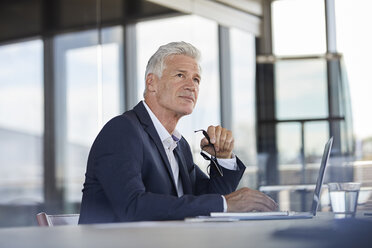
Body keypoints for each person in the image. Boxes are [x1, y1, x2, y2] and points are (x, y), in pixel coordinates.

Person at [79, 41, 277, 224]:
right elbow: (132, 206)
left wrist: (223, 158)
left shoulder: (178, 146)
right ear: (151, 83)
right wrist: (224, 204)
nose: (191, 86)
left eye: (196, 79)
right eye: (180, 75)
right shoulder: (122, 130)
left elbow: (205, 200)